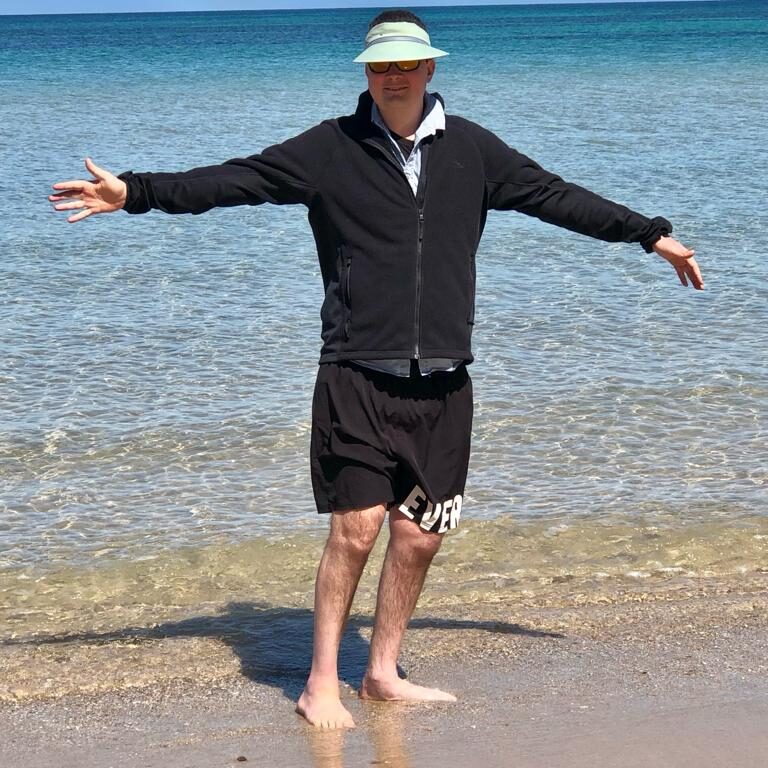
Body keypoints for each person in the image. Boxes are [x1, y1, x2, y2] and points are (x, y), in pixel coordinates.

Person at [49, 9, 703, 730]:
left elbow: (556, 196)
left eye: (404, 64)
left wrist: (648, 235)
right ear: (367, 72)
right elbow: (236, 180)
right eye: (379, 66)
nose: (391, 77)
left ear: (430, 69)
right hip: (356, 369)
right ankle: (321, 681)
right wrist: (134, 192)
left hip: (445, 377)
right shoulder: (330, 149)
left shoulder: (475, 151)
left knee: (420, 534)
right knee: (356, 526)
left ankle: (383, 672)